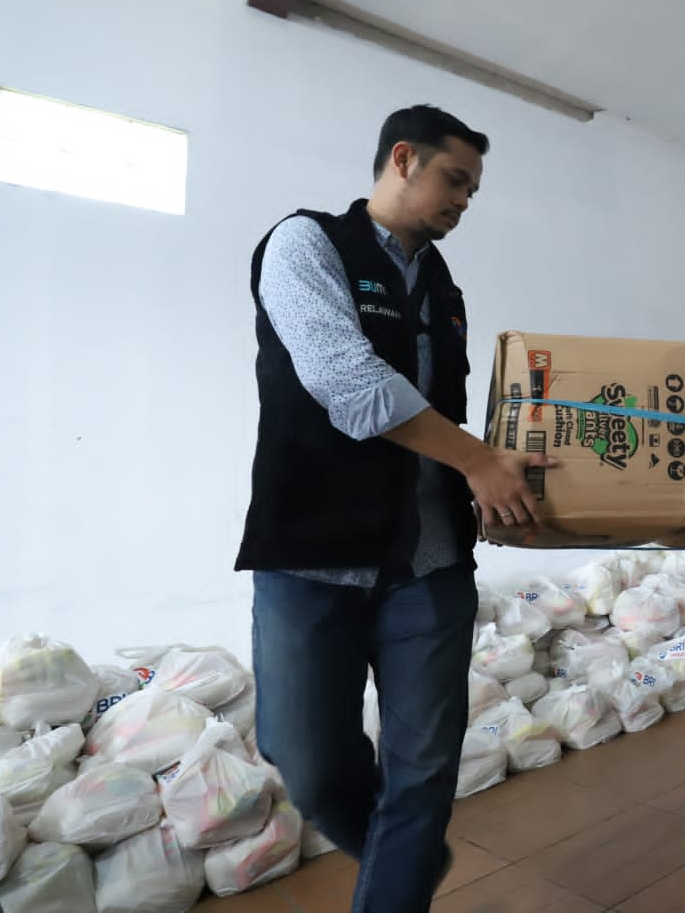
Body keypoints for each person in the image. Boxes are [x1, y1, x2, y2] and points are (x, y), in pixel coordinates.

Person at [236, 105, 550, 913]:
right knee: (306, 764)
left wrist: (494, 479)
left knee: (423, 772)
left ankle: (400, 874)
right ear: (402, 159)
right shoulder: (305, 245)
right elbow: (345, 381)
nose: (464, 202)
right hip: (313, 556)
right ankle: (403, 855)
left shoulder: (445, 291)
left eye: (474, 191)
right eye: (455, 180)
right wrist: (479, 460)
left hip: (431, 564)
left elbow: (443, 416)